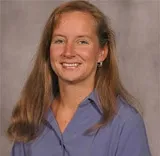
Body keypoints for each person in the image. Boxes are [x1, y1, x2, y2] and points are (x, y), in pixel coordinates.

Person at [7, 0, 151, 156]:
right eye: (60, 40)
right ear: (48, 50)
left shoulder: (125, 123)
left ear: (102, 52)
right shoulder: (31, 116)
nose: (68, 52)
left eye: (82, 41)